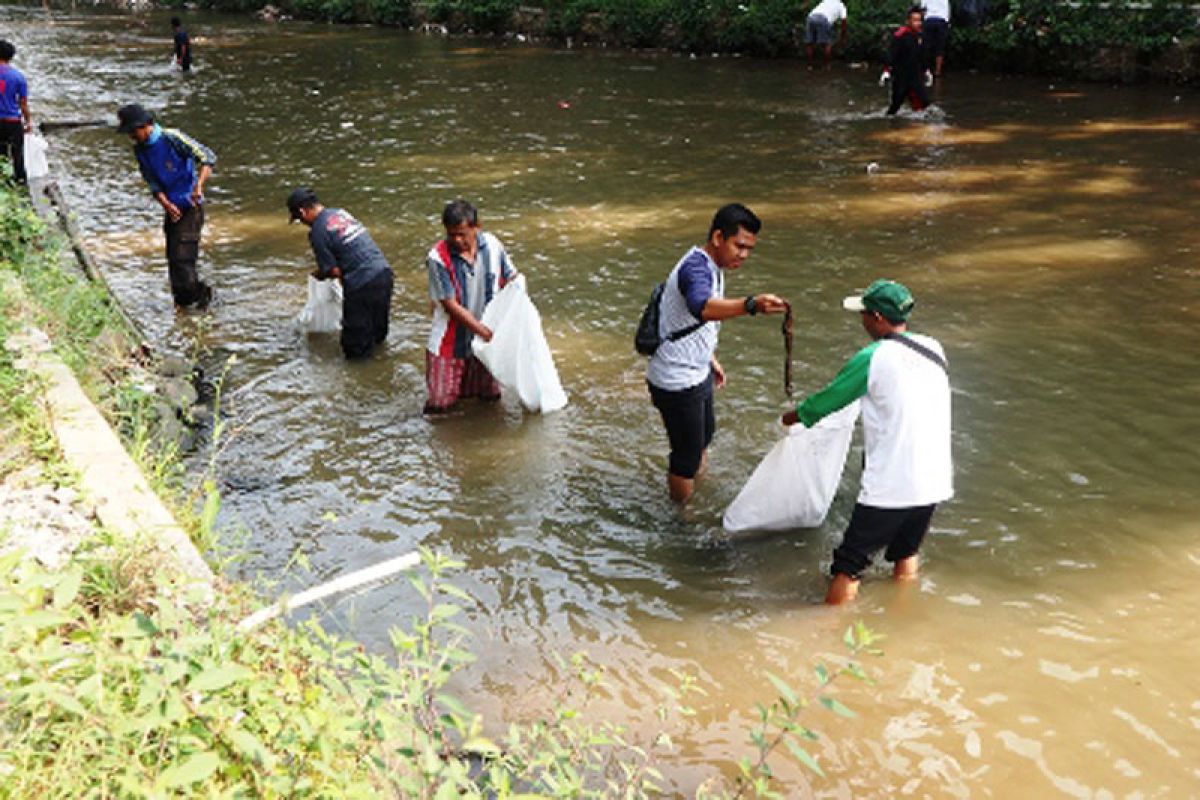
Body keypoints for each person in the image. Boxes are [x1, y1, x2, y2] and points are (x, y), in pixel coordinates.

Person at [781, 280, 952, 604]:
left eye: (864, 315)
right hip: (933, 479)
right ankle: (903, 613)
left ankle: (828, 634)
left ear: (876, 317)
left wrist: (789, 419)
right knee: (906, 552)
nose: (861, 322)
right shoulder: (934, 348)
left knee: (849, 565)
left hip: (892, 484)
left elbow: (826, 402)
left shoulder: (875, 356)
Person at [647, 203, 788, 505]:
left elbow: (691, 320)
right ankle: (681, 520)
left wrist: (709, 357)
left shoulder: (713, 268)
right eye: (739, 246)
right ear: (717, 237)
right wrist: (751, 305)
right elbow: (702, 307)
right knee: (685, 457)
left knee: (704, 438)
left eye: (749, 249)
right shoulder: (695, 268)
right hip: (676, 379)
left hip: (697, 370)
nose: (744, 255)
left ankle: (697, 494)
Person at [424, 199, 518, 414]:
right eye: (451, 234)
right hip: (449, 343)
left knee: (489, 398)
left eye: (462, 234)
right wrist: (485, 332)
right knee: (440, 405)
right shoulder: (437, 258)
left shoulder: (493, 246)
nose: (457, 240)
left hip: (486, 338)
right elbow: (450, 305)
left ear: (477, 227)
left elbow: (511, 280)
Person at [117, 103, 215, 308]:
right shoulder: (140, 150)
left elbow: (207, 157)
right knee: (173, 260)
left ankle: (201, 299)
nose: (132, 137)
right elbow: (152, 180)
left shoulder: (172, 138)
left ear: (145, 126)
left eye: (133, 132)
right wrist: (166, 203)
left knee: (183, 260)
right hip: (172, 210)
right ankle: (183, 307)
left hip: (190, 206)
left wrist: (198, 186)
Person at [287, 187, 395, 360]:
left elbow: (333, 271)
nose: (303, 223)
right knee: (377, 336)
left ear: (302, 212)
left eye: (299, 219)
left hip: (362, 283)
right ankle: (381, 373)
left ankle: (360, 382)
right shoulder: (341, 213)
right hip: (384, 274)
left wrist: (319, 275)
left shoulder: (317, 231)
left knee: (355, 349)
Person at [879, 7, 933, 116]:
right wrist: (886, 71)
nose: (918, 23)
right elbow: (891, 54)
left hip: (915, 76)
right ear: (908, 21)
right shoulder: (900, 36)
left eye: (919, 20)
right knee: (895, 106)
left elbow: (922, 55)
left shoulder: (921, 36)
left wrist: (927, 70)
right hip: (900, 77)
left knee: (924, 103)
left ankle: (920, 126)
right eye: (915, 20)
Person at [0, 39, 32, 186]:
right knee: (17, 155)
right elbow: (23, 103)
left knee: (1, 155)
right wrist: (28, 122)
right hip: (12, 122)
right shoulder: (18, 77)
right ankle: (20, 183)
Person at [804, 0, 847, 68]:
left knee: (810, 43)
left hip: (810, 17)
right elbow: (843, 23)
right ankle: (826, 65)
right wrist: (843, 36)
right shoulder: (842, 6)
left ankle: (809, 65)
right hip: (823, 19)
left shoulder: (826, 0)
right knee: (827, 44)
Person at [920, 0, 950, 77]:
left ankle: (926, 69)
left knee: (926, 46)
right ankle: (938, 70)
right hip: (942, 20)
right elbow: (947, 9)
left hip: (929, 20)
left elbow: (922, 9)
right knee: (940, 47)